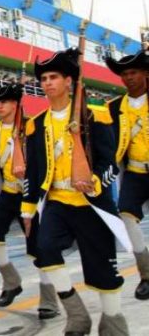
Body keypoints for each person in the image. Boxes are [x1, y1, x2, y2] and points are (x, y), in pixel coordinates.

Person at [22, 48, 130, 335]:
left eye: (53, 76)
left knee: (104, 272)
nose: (47, 82)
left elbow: (110, 161)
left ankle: (113, 322)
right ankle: (77, 315)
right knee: (44, 251)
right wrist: (28, 209)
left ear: (69, 81)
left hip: (92, 205)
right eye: (43, 78)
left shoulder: (94, 114)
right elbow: (33, 172)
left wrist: (96, 180)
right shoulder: (36, 124)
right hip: (56, 201)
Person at [0, 84, 58, 318]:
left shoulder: (33, 128)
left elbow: (44, 159)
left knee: (39, 249)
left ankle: (49, 300)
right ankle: (11, 282)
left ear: (15, 104)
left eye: (4, 102)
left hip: (30, 195)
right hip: (9, 193)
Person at [105, 50, 149, 300]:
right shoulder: (113, 108)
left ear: (145, 73)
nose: (129, 77)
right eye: (124, 74)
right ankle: (146, 273)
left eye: (133, 72)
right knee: (126, 214)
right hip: (134, 170)